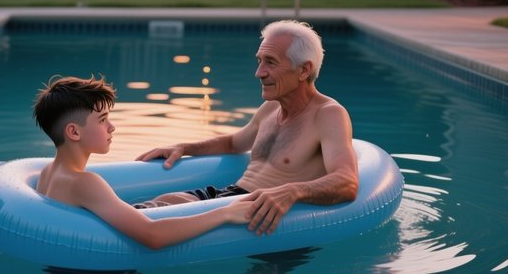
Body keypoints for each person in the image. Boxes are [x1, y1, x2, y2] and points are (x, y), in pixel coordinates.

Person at [135, 20, 359, 236]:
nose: (259, 72)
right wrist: (183, 147)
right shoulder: (271, 107)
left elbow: (347, 181)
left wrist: (293, 191)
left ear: (303, 70)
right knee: (158, 205)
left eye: (270, 62)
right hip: (231, 196)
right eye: (259, 61)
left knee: (160, 221)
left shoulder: (328, 114)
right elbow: (234, 143)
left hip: (265, 215)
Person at [33, 75, 252, 249]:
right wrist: (225, 213)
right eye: (102, 120)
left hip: (68, 269)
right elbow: (152, 235)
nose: (112, 127)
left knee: (169, 200)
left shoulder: (47, 172)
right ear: (73, 132)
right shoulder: (83, 182)